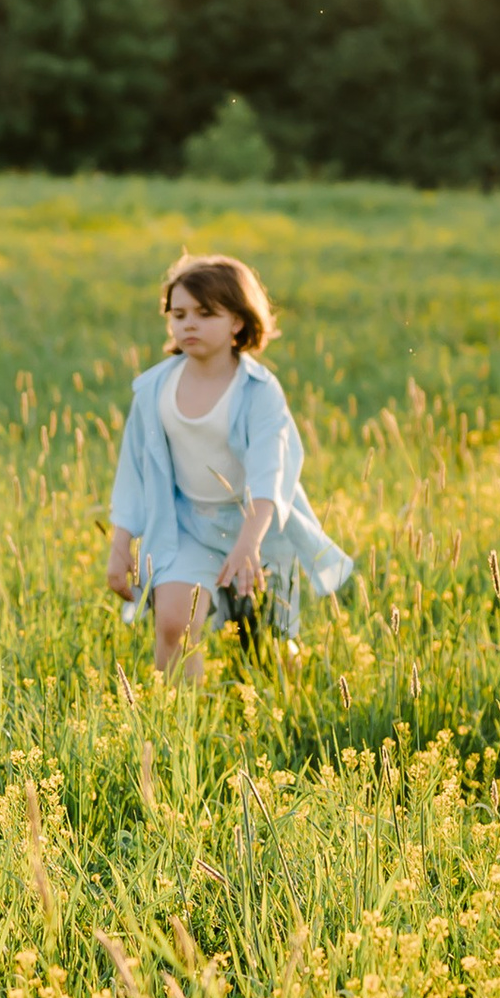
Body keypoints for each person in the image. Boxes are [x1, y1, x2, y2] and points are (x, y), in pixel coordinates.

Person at [104, 252, 351, 679]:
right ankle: (178, 725)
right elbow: (135, 471)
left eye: (205, 313)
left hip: (257, 527)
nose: (189, 324)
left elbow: (269, 471)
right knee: (173, 623)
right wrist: (120, 543)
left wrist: (248, 544)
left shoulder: (258, 391)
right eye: (178, 314)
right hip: (185, 527)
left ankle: (284, 709)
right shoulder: (154, 389)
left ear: (237, 321)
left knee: (269, 638)